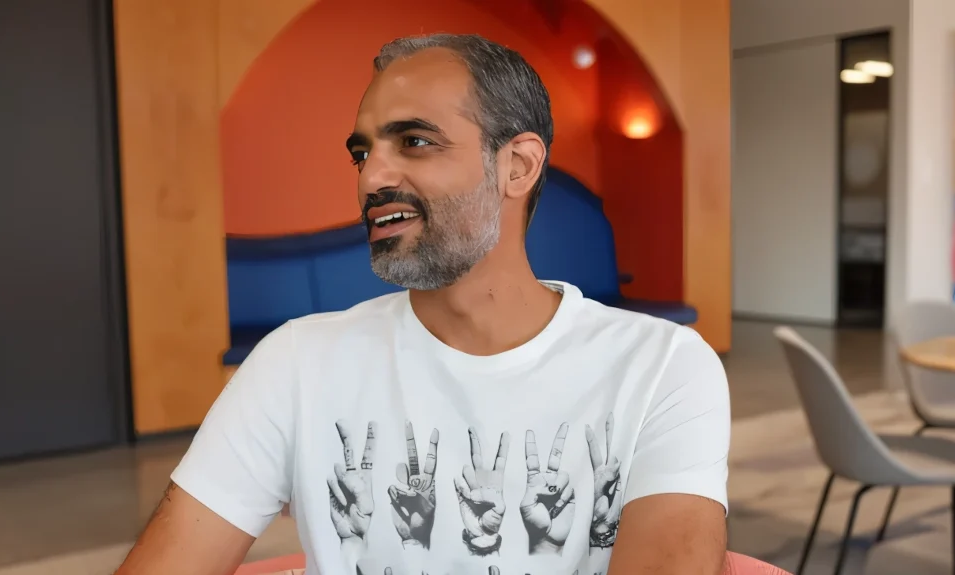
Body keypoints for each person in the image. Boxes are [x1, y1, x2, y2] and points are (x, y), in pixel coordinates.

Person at [116, 34, 730, 575]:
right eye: (362, 153)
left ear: (517, 167)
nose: (370, 178)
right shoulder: (294, 365)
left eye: (414, 141)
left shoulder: (662, 368)